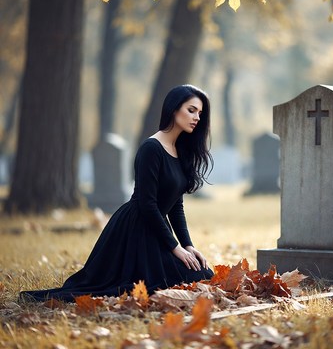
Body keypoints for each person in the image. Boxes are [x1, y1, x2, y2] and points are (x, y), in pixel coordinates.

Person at [21, 84, 214, 302]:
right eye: (191, 110)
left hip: (158, 230)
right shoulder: (151, 149)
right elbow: (147, 204)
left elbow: (175, 205)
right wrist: (175, 247)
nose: (197, 117)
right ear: (173, 109)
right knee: (153, 286)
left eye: (199, 113)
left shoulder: (180, 150)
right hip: (137, 229)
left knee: (203, 274)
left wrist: (188, 245)